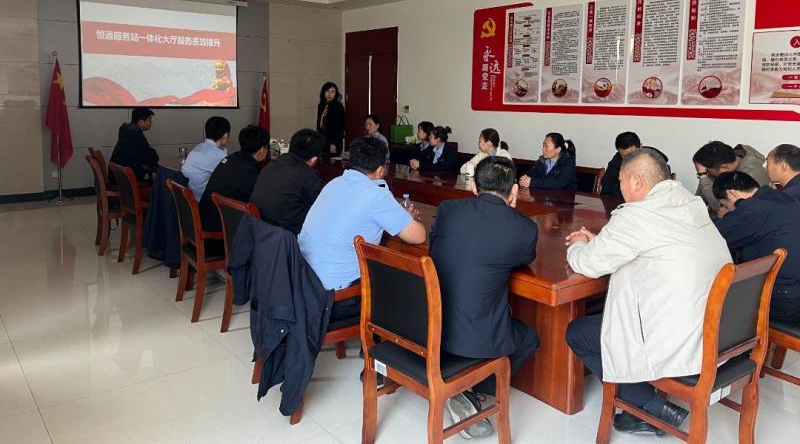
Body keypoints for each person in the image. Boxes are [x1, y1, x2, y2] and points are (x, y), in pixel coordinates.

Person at [565, 149, 731, 436]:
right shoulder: (690, 204)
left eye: (621, 181)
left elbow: (588, 264)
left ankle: (649, 408)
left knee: (578, 333)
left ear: (637, 182)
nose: (620, 187)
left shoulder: (636, 215)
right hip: (718, 332)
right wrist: (602, 243)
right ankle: (648, 404)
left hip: (680, 340)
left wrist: (580, 244)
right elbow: (653, 246)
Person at [430, 157, 539, 438]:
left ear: (474, 187)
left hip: (431, 329)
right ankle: (467, 387)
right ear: (514, 191)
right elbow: (524, 257)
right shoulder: (524, 228)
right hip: (473, 338)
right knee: (530, 338)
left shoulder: (448, 209)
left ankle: (461, 385)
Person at [298, 136, 426, 320]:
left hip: (304, 286)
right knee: (402, 283)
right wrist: (408, 218)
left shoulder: (334, 183)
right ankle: (380, 336)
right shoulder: (375, 195)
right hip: (333, 299)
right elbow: (418, 236)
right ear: (381, 170)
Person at [712, 171, 800, 322]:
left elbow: (713, 236)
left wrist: (725, 217)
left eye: (725, 205)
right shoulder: (781, 197)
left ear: (731, 193)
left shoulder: (753, 209)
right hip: (794, 290)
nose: (729, 210)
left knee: (719, 306)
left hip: (787, 301)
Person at [250, 129, 324, 235]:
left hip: (260, 231)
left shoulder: (271, 165)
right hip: (286, 237)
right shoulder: (308, 176)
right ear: (314, 159)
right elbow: (323, 209)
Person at [199, 124, 269, 232]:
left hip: (207, 220)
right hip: (223, 230)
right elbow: (261, 204)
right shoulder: (250, 170)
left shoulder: (230, 159)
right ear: (262, 150)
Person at [692, 141, 768, 215]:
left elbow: (719, 207)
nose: (708, 174)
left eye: (708, 171)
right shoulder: (741, 152)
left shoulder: (748, 177)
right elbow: (700, 201)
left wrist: (702, 175)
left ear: (724, 167)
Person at [600, 131, 669, 197]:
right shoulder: (615, 163)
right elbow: (606, 191)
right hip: (621, 203)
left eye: (631, 154)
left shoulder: (656, 162)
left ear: (640, 147)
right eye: (623, 155)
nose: (628, 158)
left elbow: (664, 192)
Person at [181, 116, 230, 201]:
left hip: (187, 199)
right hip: (202, 202)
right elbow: (230, 178)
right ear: (225, 136)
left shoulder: (199, 147)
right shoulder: (219, 155)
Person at [109, 107, 159, 185]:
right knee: (162, 173)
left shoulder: (128, 132)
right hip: (125, 182)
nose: (151, 123)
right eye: (149, 120)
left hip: (118, 177)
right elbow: (151, 158)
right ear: (141, 122)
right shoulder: (134, 137)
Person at [317, 82, 345, 156]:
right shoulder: (321, 105)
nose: (329, 94)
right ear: (323, 92)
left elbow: (340, 127)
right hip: (322, 140)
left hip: (334, 141)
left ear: (336, 94)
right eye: (327, 91)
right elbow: (319, 124)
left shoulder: (338, 106)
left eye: (332, 92)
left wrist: (334, 143)